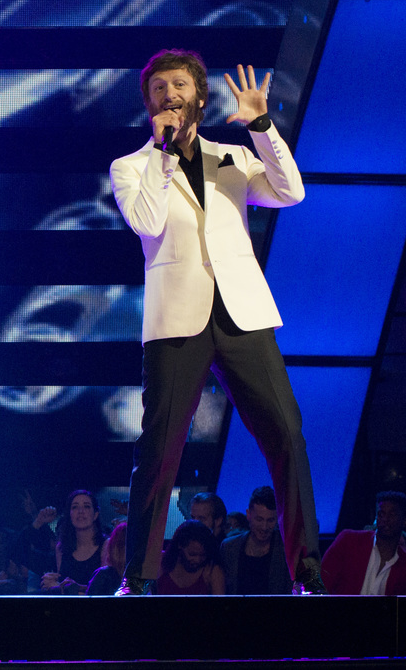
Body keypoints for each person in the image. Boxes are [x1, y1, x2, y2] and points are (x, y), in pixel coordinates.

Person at [109, 52, 321, 595]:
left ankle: (308, 574)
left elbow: (291, 192)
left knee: (287, 433)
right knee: (159, 449)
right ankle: (139, 577)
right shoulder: (132, 167)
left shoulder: (233, 156)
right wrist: (162, 152)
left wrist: (261, 125)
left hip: (241, 313)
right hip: (177, 322)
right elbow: (148, 222)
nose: (169, 94)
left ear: (199, 97)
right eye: (159, 87)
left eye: (179, 84)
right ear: (149, 103)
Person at [322, 491, 406, 596]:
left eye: (392, 514)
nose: (385, 519)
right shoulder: (349, 541)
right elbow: (322, 581)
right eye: (381, 514)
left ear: (404, 521)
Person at [219, 486, 295, 595]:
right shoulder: (229, 547)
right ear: (248, 515)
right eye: (259, 519)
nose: (264, 527)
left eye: (270, 520)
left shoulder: (286, 548)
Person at [48, 490, 106, 589]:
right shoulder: (61, 548)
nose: (80, 511)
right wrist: (53, 584)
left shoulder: (106, 545)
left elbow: (106, 588)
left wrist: (74, 588)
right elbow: (62, 586)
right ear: (69, 514)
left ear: (95, 514)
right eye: (75, 507)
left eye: (86, 506)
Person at [155, 520, 227, 595]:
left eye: (203, 555)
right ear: (180, 545)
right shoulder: (161, 562)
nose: (198, 560)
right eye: (192, 554)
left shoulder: (211, 571)